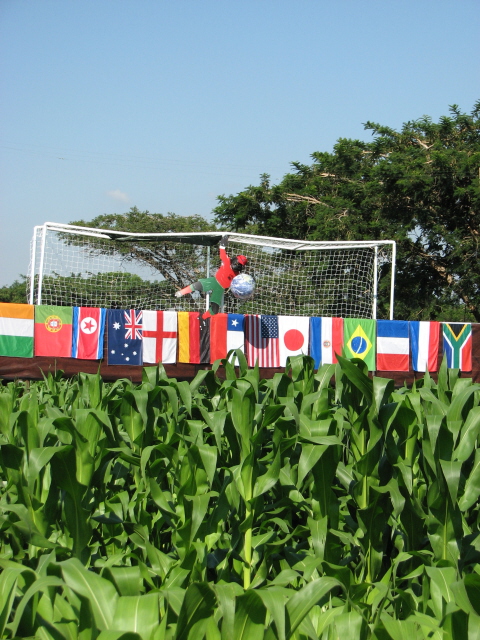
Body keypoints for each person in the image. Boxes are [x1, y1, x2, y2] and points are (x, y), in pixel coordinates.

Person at [175, 235, 248, 318]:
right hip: (214, 281)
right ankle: (181, 292)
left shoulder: (237, 275)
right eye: (237, 263)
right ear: (235, 260)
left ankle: (203, 318)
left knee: (215, 308)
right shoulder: (227, 261)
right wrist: (223, 242)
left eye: (240, 265)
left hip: (220, 288)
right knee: (197, 285)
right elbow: (222, 250)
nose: (237, 265)